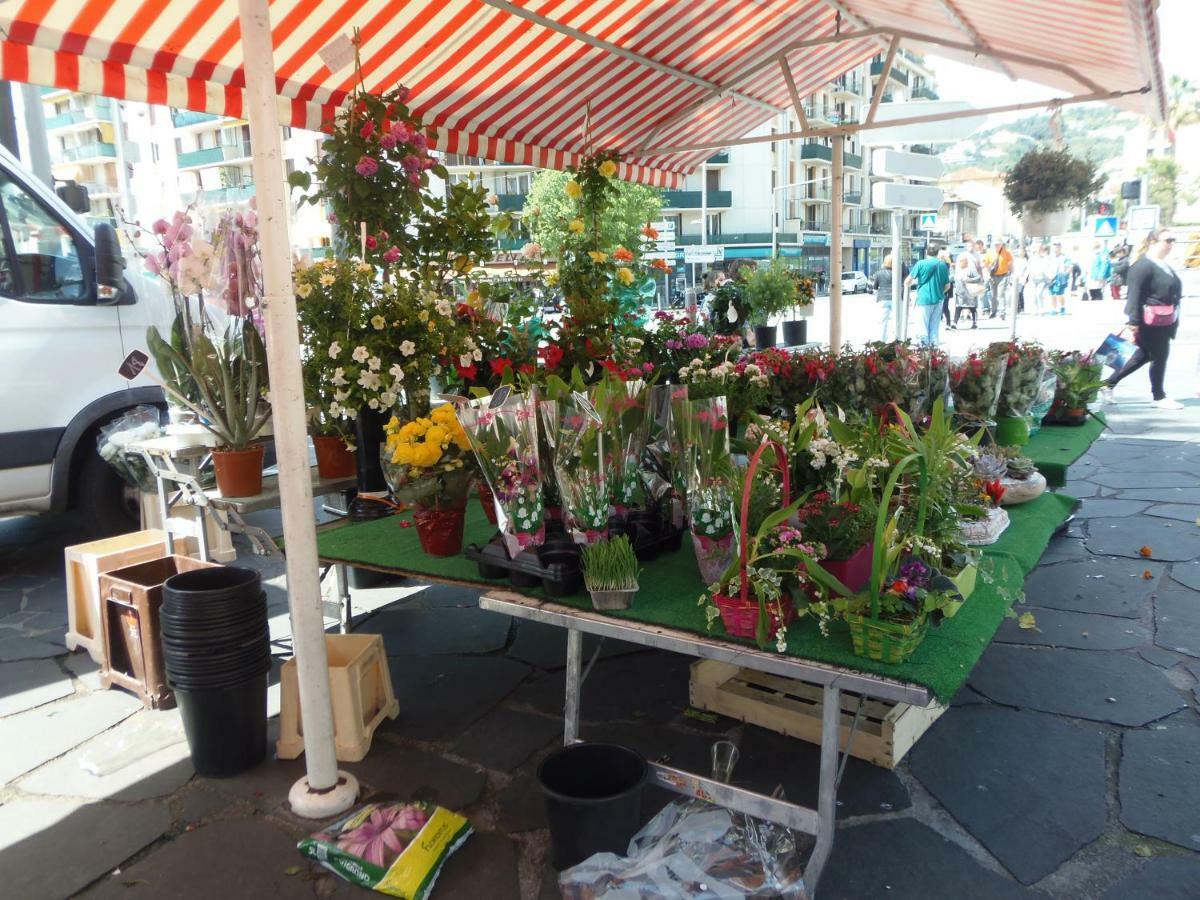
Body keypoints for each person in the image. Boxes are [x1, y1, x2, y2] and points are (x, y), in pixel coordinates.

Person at [1103, 228, 1183, 409]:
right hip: (1150, 320)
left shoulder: (1163, 265)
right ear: (1153, 242)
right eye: (1167, 240)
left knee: (1144, 355)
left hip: (1164, 320)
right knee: (1160, 356)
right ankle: (1159, 396)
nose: (1171, 244)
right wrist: (1133, 321)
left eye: (1173, 240)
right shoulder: (1142, 266)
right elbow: (1134, 295)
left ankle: (1108, 384)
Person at [904, 244, 950, 347]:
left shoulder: (921, 264)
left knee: (922, 326)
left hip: (923, 299)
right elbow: (947, 286)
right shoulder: (942, 265)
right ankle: (934, 352)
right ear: (938, 253)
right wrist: (939, 292)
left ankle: (924, 350)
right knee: (934, 326)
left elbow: (907, 281)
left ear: (926, 252)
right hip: (938, 300)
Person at [984, 239, 1013, 320]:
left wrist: (1012, 274)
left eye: (998, 244)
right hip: (993, 276)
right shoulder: (989, 253)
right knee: (993, 296)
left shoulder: (1006, 253)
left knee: (1001, 295)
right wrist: (988, 273)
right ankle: (993, 312)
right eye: (995, 244)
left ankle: (1002, 313)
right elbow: (986, 264)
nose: (996, 246)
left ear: (1001, 245)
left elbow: (1010, 264)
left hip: (1003, 276)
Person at [952, 254, 981, 329]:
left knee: (972, 308)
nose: (960, 263)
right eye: (959, 261)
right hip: (960, 293)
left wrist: (970, 279)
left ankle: (975, 323)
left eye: (962, 261)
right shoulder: (957, 270)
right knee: (958, 308)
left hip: (970, 293)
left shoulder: (971, 269)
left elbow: (978, 278)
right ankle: (954, 323)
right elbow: (952, 278)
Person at [873, 254, 895, 341]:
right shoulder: (896, 273)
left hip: (883, 299)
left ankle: (882, 341)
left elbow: (875, 287)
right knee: (895, 321)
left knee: (883, 322)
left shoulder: (879, 273)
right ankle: (895, 341)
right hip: (894, 299)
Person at [1048, 242, 1069, 315]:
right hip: (1051, 277)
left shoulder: (1065, 257)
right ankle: (1054, 309)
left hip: (1060, 278)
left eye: (1058, 247)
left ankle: (1062, 307)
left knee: (1060, 294)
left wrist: (1065, 274)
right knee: (1052, 294)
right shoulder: (1050, 257)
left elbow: (1069, 267)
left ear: (1060, 248)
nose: (1056, 248)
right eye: (1055, 247)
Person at [938, 248, 954, 328]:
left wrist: (945, 280)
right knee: (937, 306)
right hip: (938, 287)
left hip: (946, 288)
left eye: (941, 257)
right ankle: (938, 320)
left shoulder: (948, 266)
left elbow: (951, 276)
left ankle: (948, 323)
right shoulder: (937, 265)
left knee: (945, 307)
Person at [1011, 247, 1030, 314]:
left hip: (1022, 279)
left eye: (1022, 252)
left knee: (1020, 292)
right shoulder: (1016, 260)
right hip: (1016, 279)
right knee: (1016, 293)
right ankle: (1017, 307)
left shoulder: (1026, 260)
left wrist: (1025, 279)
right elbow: (1013, 269)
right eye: (1020, 252)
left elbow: (1027, 271)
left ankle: (1021, 307)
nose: (1021, 253)